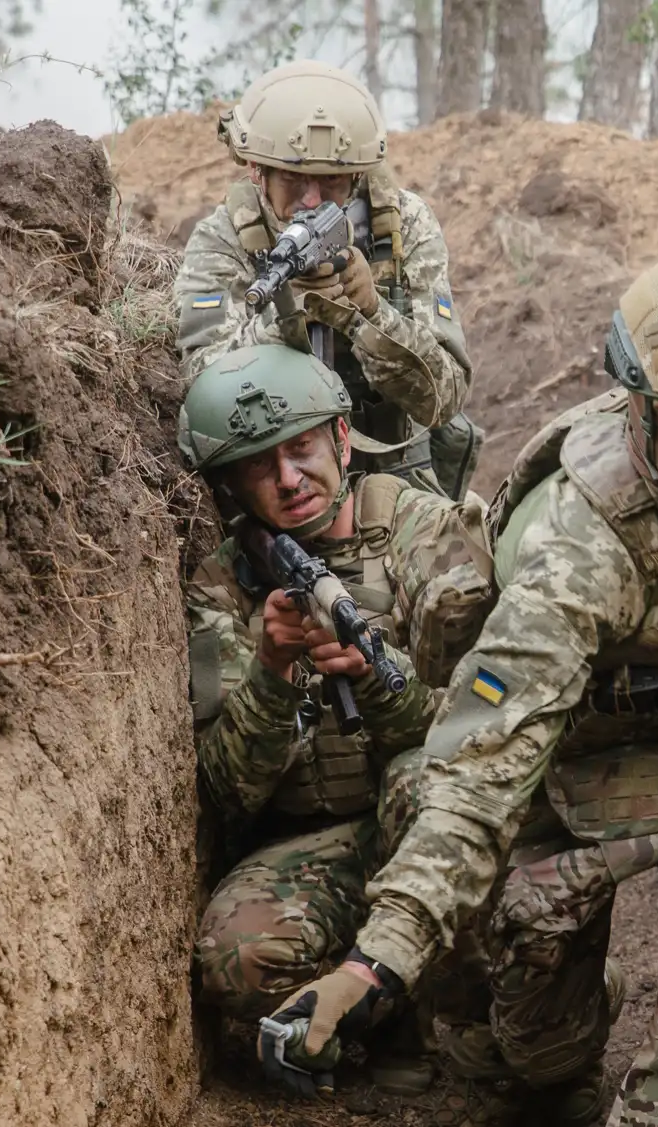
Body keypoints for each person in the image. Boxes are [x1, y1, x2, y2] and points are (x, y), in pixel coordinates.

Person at [261, 249, 658, 1126]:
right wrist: (372, 965)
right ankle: (536, 1018)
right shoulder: (575, 548)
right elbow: (482, 771)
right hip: (550, 758)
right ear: (643, 410)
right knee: (535, 1058)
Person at [177, 342, 492, 1093]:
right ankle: (368, 1021)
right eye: (261, 466)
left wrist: (379, 684)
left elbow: (482, 740)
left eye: (302, 449)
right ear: (232, 485)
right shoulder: (223, 582)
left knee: (422, 781)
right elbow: (227, 790)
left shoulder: (423, 532)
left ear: (342, 439)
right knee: (235, 957)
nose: (289, 480)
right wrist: (275, 670)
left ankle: (509, 1010)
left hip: (430, 815)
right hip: (320, 838)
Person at [174, 59, 484, 500]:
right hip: (274, 483)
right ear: (255, 170)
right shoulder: (224, 239)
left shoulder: (399, 226)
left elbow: (446, 397)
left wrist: (369, 313)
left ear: (357, 175)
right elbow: (196, 391)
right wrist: (283, 318)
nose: (312, 200)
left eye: (332, 182)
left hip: (393, 479)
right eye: (292, 178)